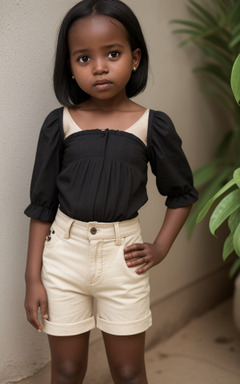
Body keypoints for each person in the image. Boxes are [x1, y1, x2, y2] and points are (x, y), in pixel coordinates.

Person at [24, 0, 198, 383]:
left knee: (129, 372)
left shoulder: (153, 125)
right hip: (63, 258)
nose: (99, 67)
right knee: (67, 371)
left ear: (135, 58)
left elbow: (181, 193)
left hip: (123, 261)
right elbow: (42, 205)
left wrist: (160, 247)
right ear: (69, 66)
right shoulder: (61, 124)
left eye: (113, 54)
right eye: (83, 58)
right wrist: (32, 278)